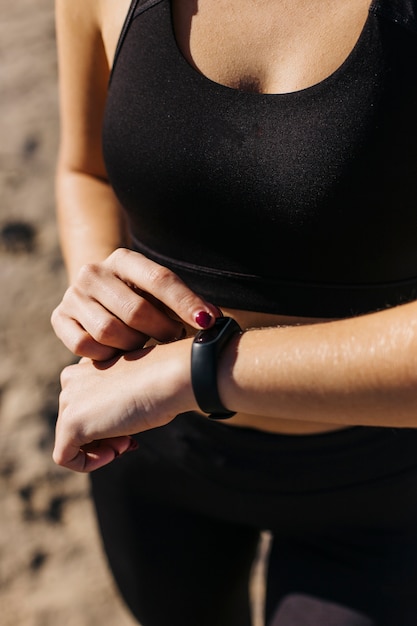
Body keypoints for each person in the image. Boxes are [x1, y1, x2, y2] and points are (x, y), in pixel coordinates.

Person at [50, 0, 417, 624]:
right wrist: (102, 307)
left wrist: (195, 372)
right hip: (152, 458)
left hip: (385, 489)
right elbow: (84, 169)